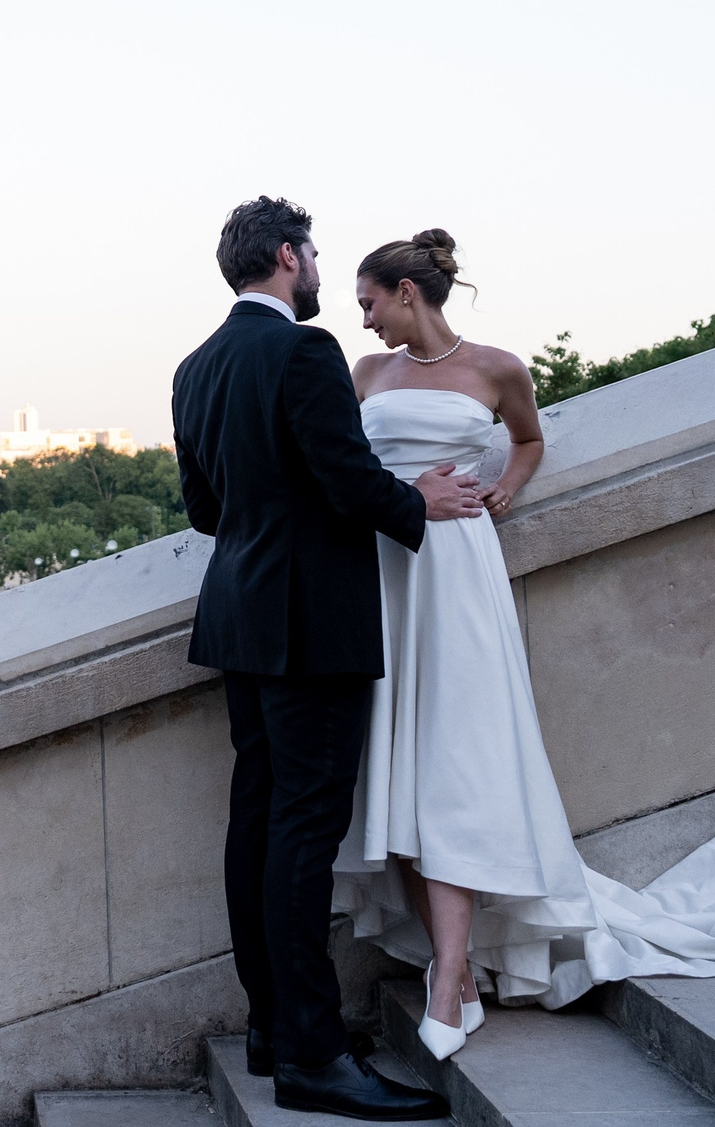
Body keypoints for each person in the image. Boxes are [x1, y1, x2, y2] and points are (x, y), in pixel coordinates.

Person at [332, 230, 715, 1059]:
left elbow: (530, 439)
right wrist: (407, 493)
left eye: (369, 301)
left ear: (408, 293)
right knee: (396, 764)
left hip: (455, 573)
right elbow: (343, 471)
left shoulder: (498, 367)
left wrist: (506, 488)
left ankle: (450, 973)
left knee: (456, 759)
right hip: (382, 573)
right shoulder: (363, 376)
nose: (361, 319)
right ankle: (460, 968)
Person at [174, 197, 480, 1122]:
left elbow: (205, 509)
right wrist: (416, 502)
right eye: (313, 254)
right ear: (284, 256)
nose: (318, 269)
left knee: (260, 826)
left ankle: (273, 1026)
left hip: (239, 616)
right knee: (303, 838)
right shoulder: (305, 354)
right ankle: (310, 1056)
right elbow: (347, 480)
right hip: (310, 626)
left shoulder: (195, 366)